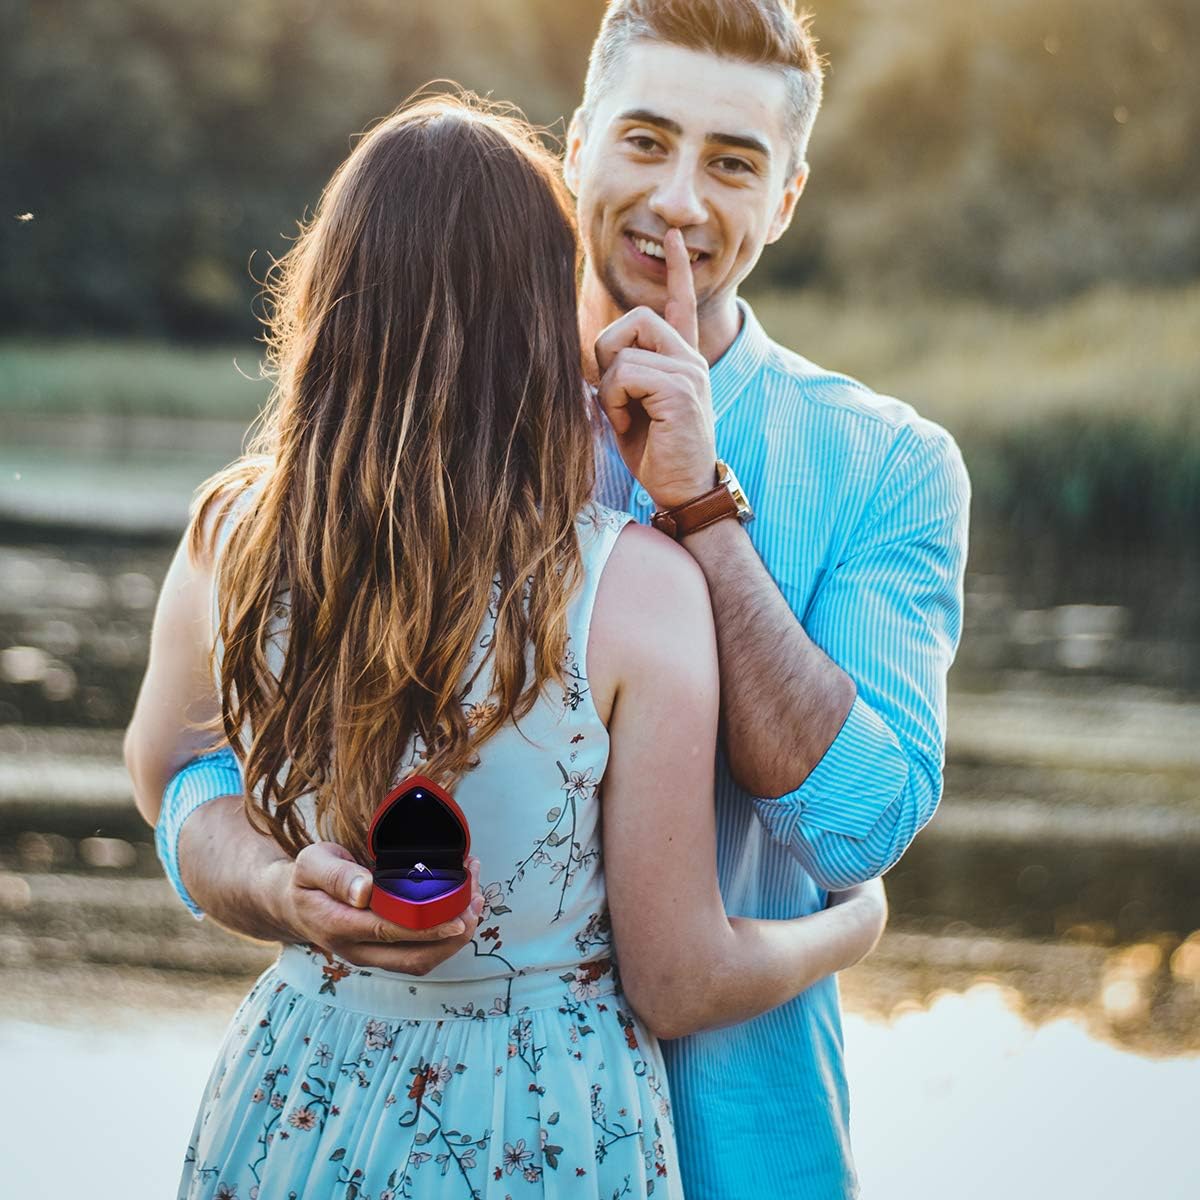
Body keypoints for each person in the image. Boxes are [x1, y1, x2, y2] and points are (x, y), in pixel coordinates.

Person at [143, 2, 970, 1196]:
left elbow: (855, 831)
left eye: (732, 163)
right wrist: (268, 883)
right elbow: (198, 765)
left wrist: (704, 511)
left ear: (786, 197)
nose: (681, 197)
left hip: (750, 1150)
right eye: (646, 139)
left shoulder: (889, 464)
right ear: (575, 145)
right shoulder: (406, 428)